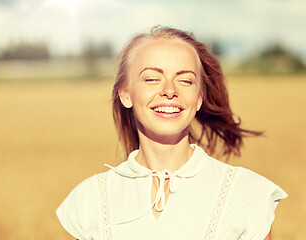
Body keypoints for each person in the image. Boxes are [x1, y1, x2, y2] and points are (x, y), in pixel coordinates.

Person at [56, 27, 287, 240]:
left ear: (199, 98)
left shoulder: (246, 194)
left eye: (185, 80)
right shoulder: (90, 200)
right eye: (152, 79)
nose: (169, 91)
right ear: (125, 94)